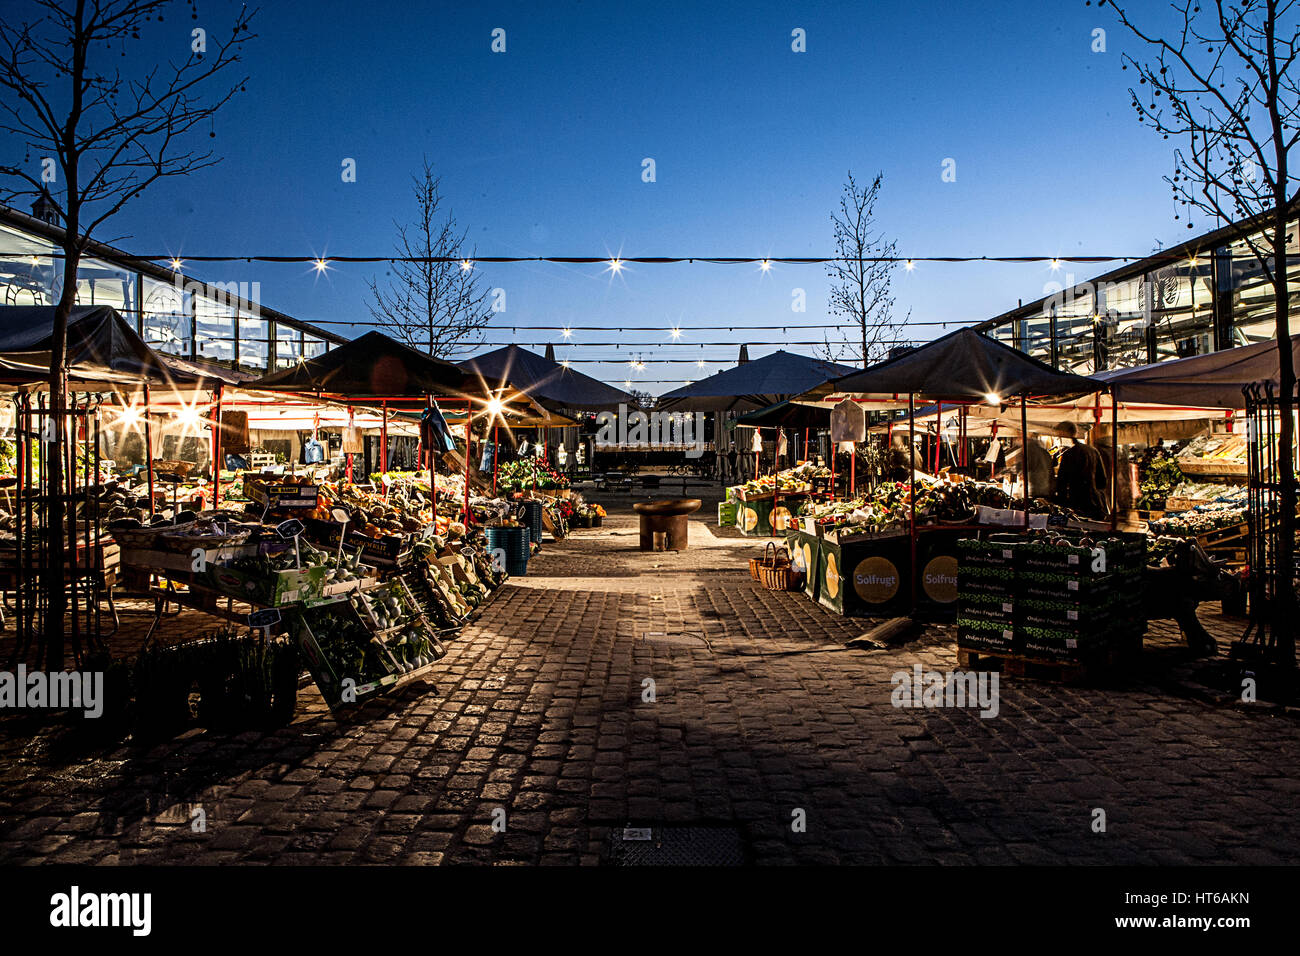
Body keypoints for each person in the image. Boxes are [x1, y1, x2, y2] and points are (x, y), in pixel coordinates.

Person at [1055, 421, 1109, 519]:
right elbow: (1102, 481)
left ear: (1065, 434)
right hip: (1095, 502)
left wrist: (1061, 504)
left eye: (1059, 435)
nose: (1058, 438)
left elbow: (1061, 484)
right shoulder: (1092, 451)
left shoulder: (1069, 455)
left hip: (1077, 503)